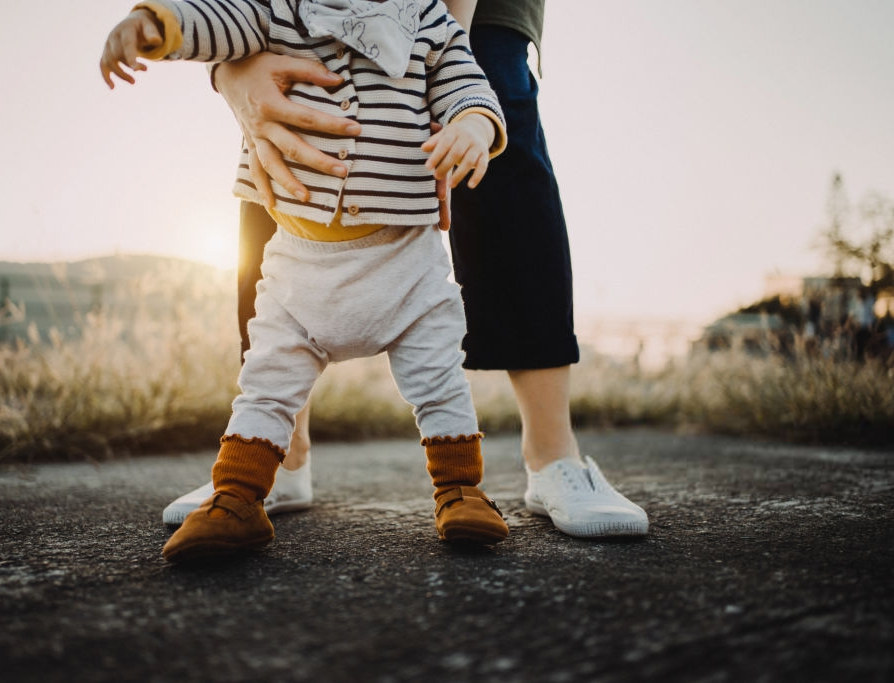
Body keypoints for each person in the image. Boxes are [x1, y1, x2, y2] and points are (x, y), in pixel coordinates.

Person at [163, 0, 649, 539]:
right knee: (286, 123)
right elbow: (220, 17)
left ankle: (550, 455)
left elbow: (461, 75)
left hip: (458, 23)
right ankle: (273, 458)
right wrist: (217, 58)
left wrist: (445, 74)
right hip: (294, 39)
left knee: (499, 90)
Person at [102, 0, 513, 562]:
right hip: (300, 266)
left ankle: (461, 491)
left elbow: (466, 79)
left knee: (439, 381)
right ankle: (237, 498)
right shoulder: (278, 10)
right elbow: (216, 21)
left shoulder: (425, 18)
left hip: (406, 264)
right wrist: (156, 25)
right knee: (267, 384)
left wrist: (473, 125)